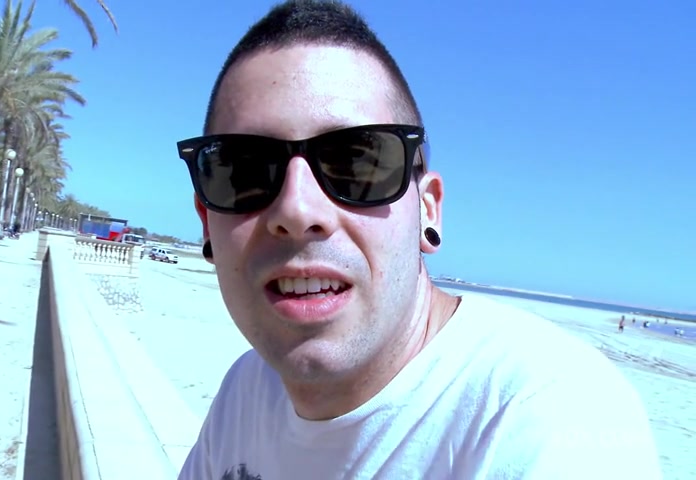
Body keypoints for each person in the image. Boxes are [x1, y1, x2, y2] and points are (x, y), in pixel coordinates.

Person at [175, 1, 661, 478]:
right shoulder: (244, 391)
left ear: (428, 209)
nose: (297, 210)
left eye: (357, 162)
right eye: (243, 171)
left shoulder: (552, 415)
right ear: (206, 221)